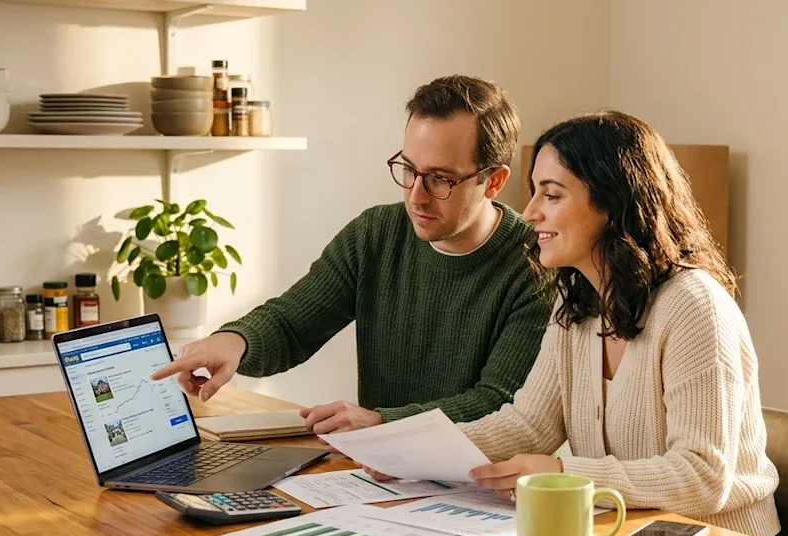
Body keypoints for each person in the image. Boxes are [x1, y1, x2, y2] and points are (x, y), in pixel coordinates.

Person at [151, 75, 549, 436]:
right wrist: (233, 341)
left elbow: (498, 404)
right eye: (408, 169)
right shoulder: (376, 234)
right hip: (382, 473)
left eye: (440, 179)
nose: (415, 195)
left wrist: (380, 422)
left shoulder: (537, 264)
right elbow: (292, 323)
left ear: (493, 181)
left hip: (478, 487)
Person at [458, 110, 781, 536]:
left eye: (551, 195)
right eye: (535, 192)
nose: (530, 211)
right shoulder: (577, 303)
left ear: (611, 204)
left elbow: (703, 478)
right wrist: (412, 450)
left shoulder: (694, 306)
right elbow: (530, 425)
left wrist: (563, 471)